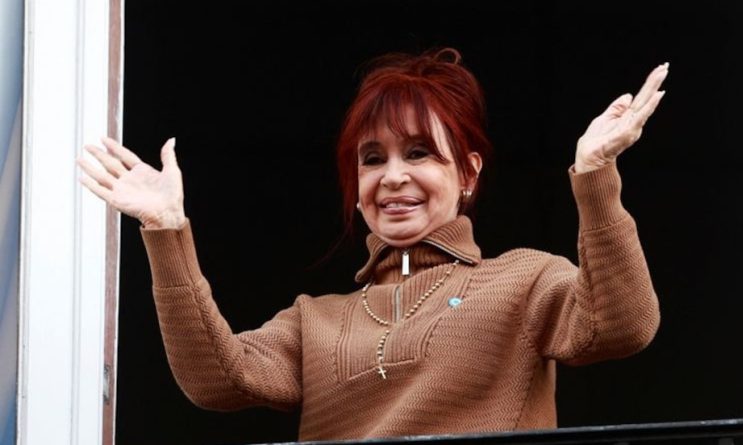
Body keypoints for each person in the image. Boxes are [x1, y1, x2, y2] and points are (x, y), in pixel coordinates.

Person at [78, 47, 664, 441]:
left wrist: (595, 177)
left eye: (419, 153)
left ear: (468, 172)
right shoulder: (314, 321)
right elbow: (216, 380)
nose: (393, 177)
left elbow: (623, 326)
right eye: (372, 159)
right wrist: (167, 230)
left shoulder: (525, 281)